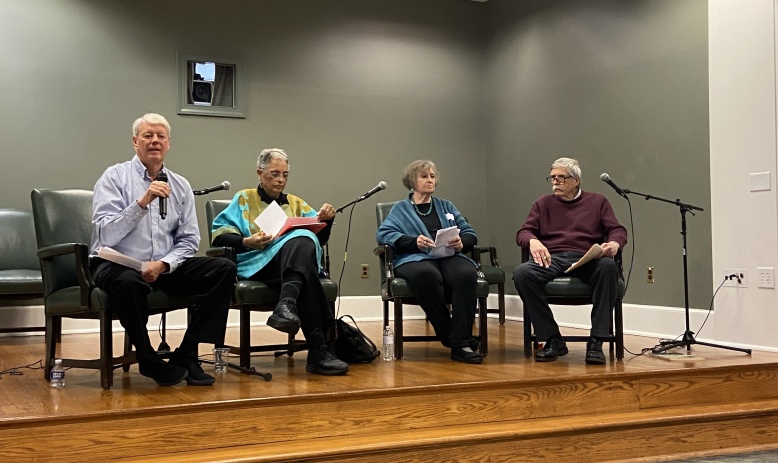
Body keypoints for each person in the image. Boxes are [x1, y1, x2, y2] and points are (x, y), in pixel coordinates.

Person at [90, 113, 237, 387]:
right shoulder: (114, 177)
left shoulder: (180, 185)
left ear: (168, 143)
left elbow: (189, 239)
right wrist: (141, 203)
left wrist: (165, 264)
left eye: (160, 136)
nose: (154, 141)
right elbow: (105, 234)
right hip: (117, 263)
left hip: (161, 265)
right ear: (135, 142)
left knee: (223, 269)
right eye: (148, 135)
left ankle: (186, 354)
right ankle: (147, 359)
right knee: (128, 282)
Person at [210, 148, 349, 376]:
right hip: (257, 264)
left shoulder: (296, 203)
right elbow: (220, 234)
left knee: (303, 242)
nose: (280, 180)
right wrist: (247, 240)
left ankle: (286, 306)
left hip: (287, 267)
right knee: (304, 260)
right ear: (259, 173)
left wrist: (328, 221)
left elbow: (319, 238)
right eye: (274, 174)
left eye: (285, 174)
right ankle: (319, 351)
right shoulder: (244, 198)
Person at [513, 157, 627, 365]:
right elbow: (524, 232)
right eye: (553, 178)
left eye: (561, 177)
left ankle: (596, 340)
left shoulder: (598, 201)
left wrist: (614, 244)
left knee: (608, 268)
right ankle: (552, 338)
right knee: (522, 273)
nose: (555, 182)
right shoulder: (542, 203)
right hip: (553, 257)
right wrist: (533, 242)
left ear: (576, 180)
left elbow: (617, 230)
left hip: (587, 258)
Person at [376, 160, 483, 364]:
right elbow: (384, 235)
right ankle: (455, 339)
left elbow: (470, 233)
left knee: (466, 274)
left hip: (448, 255)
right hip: (414, 257)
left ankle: (459, 342)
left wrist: (461, 243)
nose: (430, 180)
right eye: (425, 176)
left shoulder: (446, 206)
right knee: (427, 275)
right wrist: (413, 241)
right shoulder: (400, 209)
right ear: (412, 181)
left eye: (432, 176)